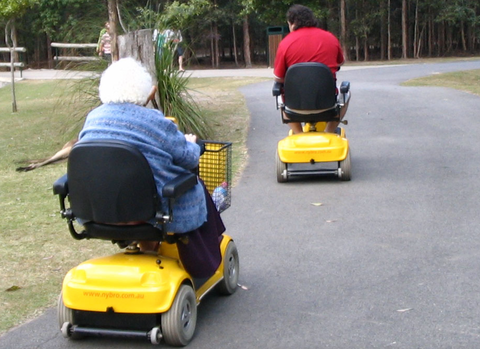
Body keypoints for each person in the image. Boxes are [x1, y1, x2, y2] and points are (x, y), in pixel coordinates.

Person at [77, 57, 224, 278]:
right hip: (146, 211)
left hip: (98, 210)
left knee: (138, 187)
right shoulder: (155, 121)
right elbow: (187, 159)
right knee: (188, 184)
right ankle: (205, 257)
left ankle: (147, 248)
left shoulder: (93, 118)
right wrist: (192, 144)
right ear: (149, 93)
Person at [273, 4, 349, 134]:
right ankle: (329, 132)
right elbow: (340, 62)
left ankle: (298, 133)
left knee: (278, 92)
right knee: (346, 94)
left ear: (291, 23)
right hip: (327, 104)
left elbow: (279, 77)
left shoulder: (285, 43)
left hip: (295, 106)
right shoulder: (330, 38)